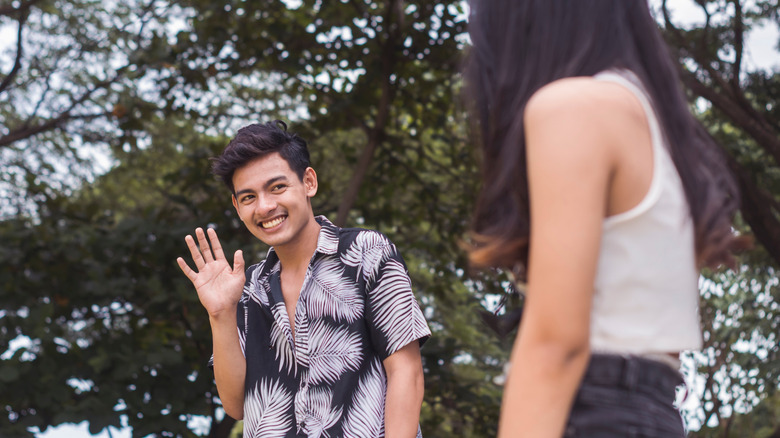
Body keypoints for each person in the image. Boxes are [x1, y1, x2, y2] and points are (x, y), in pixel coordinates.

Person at [463, 1, 744, 437]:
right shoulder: (653, 121)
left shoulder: (574, 107)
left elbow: (557, 345)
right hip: (653, 410)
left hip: (595, 409)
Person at [176, 120, 430, 438]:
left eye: (277, 187)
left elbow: (406, 372)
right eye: (248, 197)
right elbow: (236, 404)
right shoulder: (245, 287)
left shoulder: (366, 252)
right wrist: (220, 313)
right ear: (237, 207)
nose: (265, 206)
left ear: (308, 182)